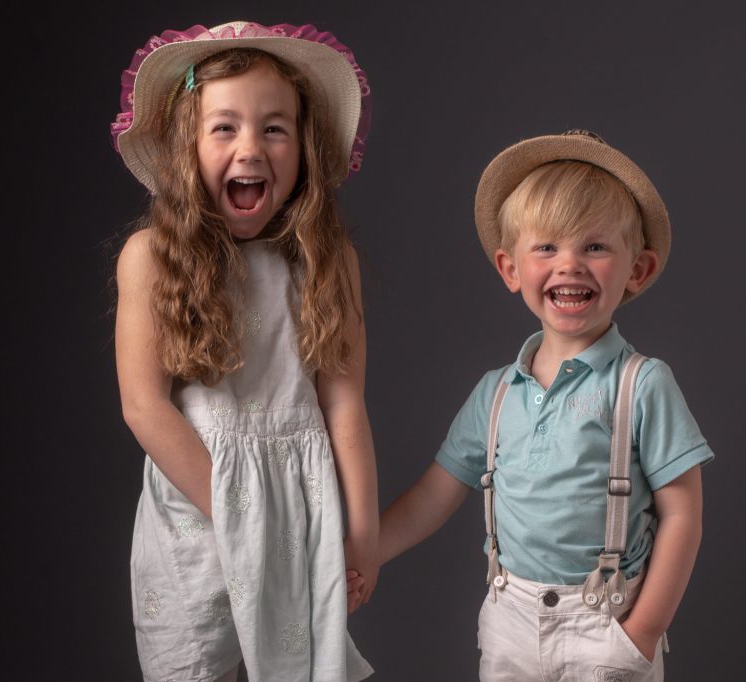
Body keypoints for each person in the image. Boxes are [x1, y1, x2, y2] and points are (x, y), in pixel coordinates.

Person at [371, 130, 714, 680]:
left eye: (595, 247)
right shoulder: (496, 391)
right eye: (547, 247)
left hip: (607, 620)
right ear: (511, 270)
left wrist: (641, 633)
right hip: (509, 619)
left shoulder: (642, 384)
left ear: (638, 270)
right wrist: (366, 553)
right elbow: (433, 496)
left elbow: (682, 515)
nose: (570, 264)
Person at [111, 21, 377, 682]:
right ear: (188, 144)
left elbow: (344, 402)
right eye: (224, 127)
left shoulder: (325, 260)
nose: (251, 147)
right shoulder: (150, 257)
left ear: (304, 146)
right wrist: (236, 517)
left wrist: (364, 533)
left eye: (275, 128)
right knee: (191, 666)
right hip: (198, 511)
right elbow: (145, 407)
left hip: (297, 509)